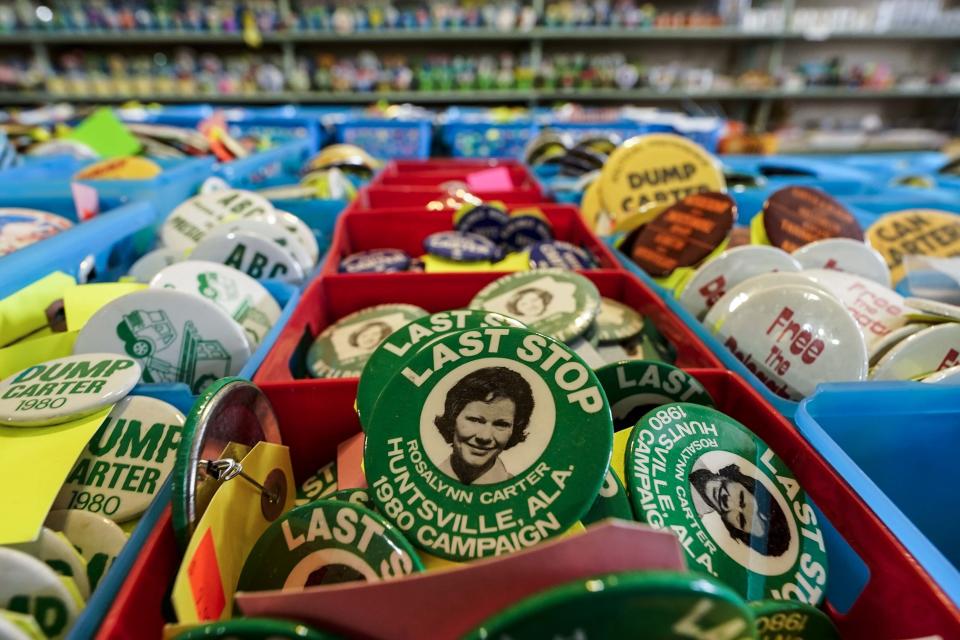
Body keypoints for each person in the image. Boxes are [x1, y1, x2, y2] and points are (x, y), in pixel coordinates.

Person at [434, 367, 535, 485]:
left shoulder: (522, 494)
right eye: (475, 420)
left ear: (514, 431)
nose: (484, 437)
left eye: (501, 424)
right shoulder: (421, 481)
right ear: (452, 419)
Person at [689, 463, 791, 557]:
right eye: (741, 499)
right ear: (742, 484)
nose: (728, 502)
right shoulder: (702, 462)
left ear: (733, 527)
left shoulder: (693, 511)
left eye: (741, 520)